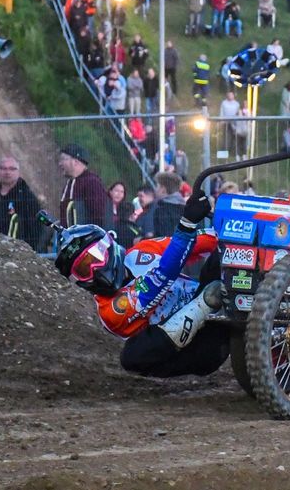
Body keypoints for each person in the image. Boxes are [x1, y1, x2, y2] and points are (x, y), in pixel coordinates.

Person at [53, 187, 229, 377]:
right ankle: (207, 304)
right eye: (83, 270)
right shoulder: (109, 310)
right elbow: (161, 277)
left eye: (95, 257)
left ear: (108, 244)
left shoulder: (143, 250)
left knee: (227, 248)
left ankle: (250, 291)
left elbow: (196, 242)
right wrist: (186, 223)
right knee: (132, 357)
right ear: (79, 281)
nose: (94, 269)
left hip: (212, 294)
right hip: (201, 344)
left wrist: (231, 232)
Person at [0, 156, 42, 249]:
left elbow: (35, 230)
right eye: (3, 168)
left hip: (18, 252)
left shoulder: (27, 198)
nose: (7, 172)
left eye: (12, 169)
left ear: (18, 172)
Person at [57, 144, 112, 229]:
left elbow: (99, 217)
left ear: (75, 162)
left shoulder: (91, 182)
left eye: (63, 159)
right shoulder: (70, 183)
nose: (60, 164)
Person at [137, 171, 186, 241]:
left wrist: (142, 240)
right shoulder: (185, 208)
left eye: (157, 186)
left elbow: (163, 239)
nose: (155, 189)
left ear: (163, 189)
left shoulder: (161, 210)